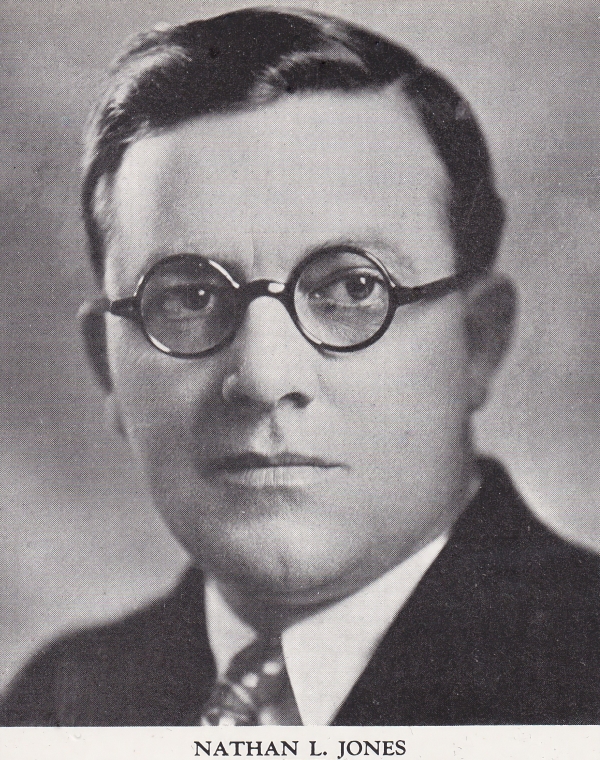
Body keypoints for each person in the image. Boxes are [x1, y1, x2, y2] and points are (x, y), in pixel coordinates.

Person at [1, 6, 599, 726]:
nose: (263, 378)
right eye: (189, 298)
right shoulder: (58, 706)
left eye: (353, 289)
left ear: (479, 341)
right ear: (106, 366)